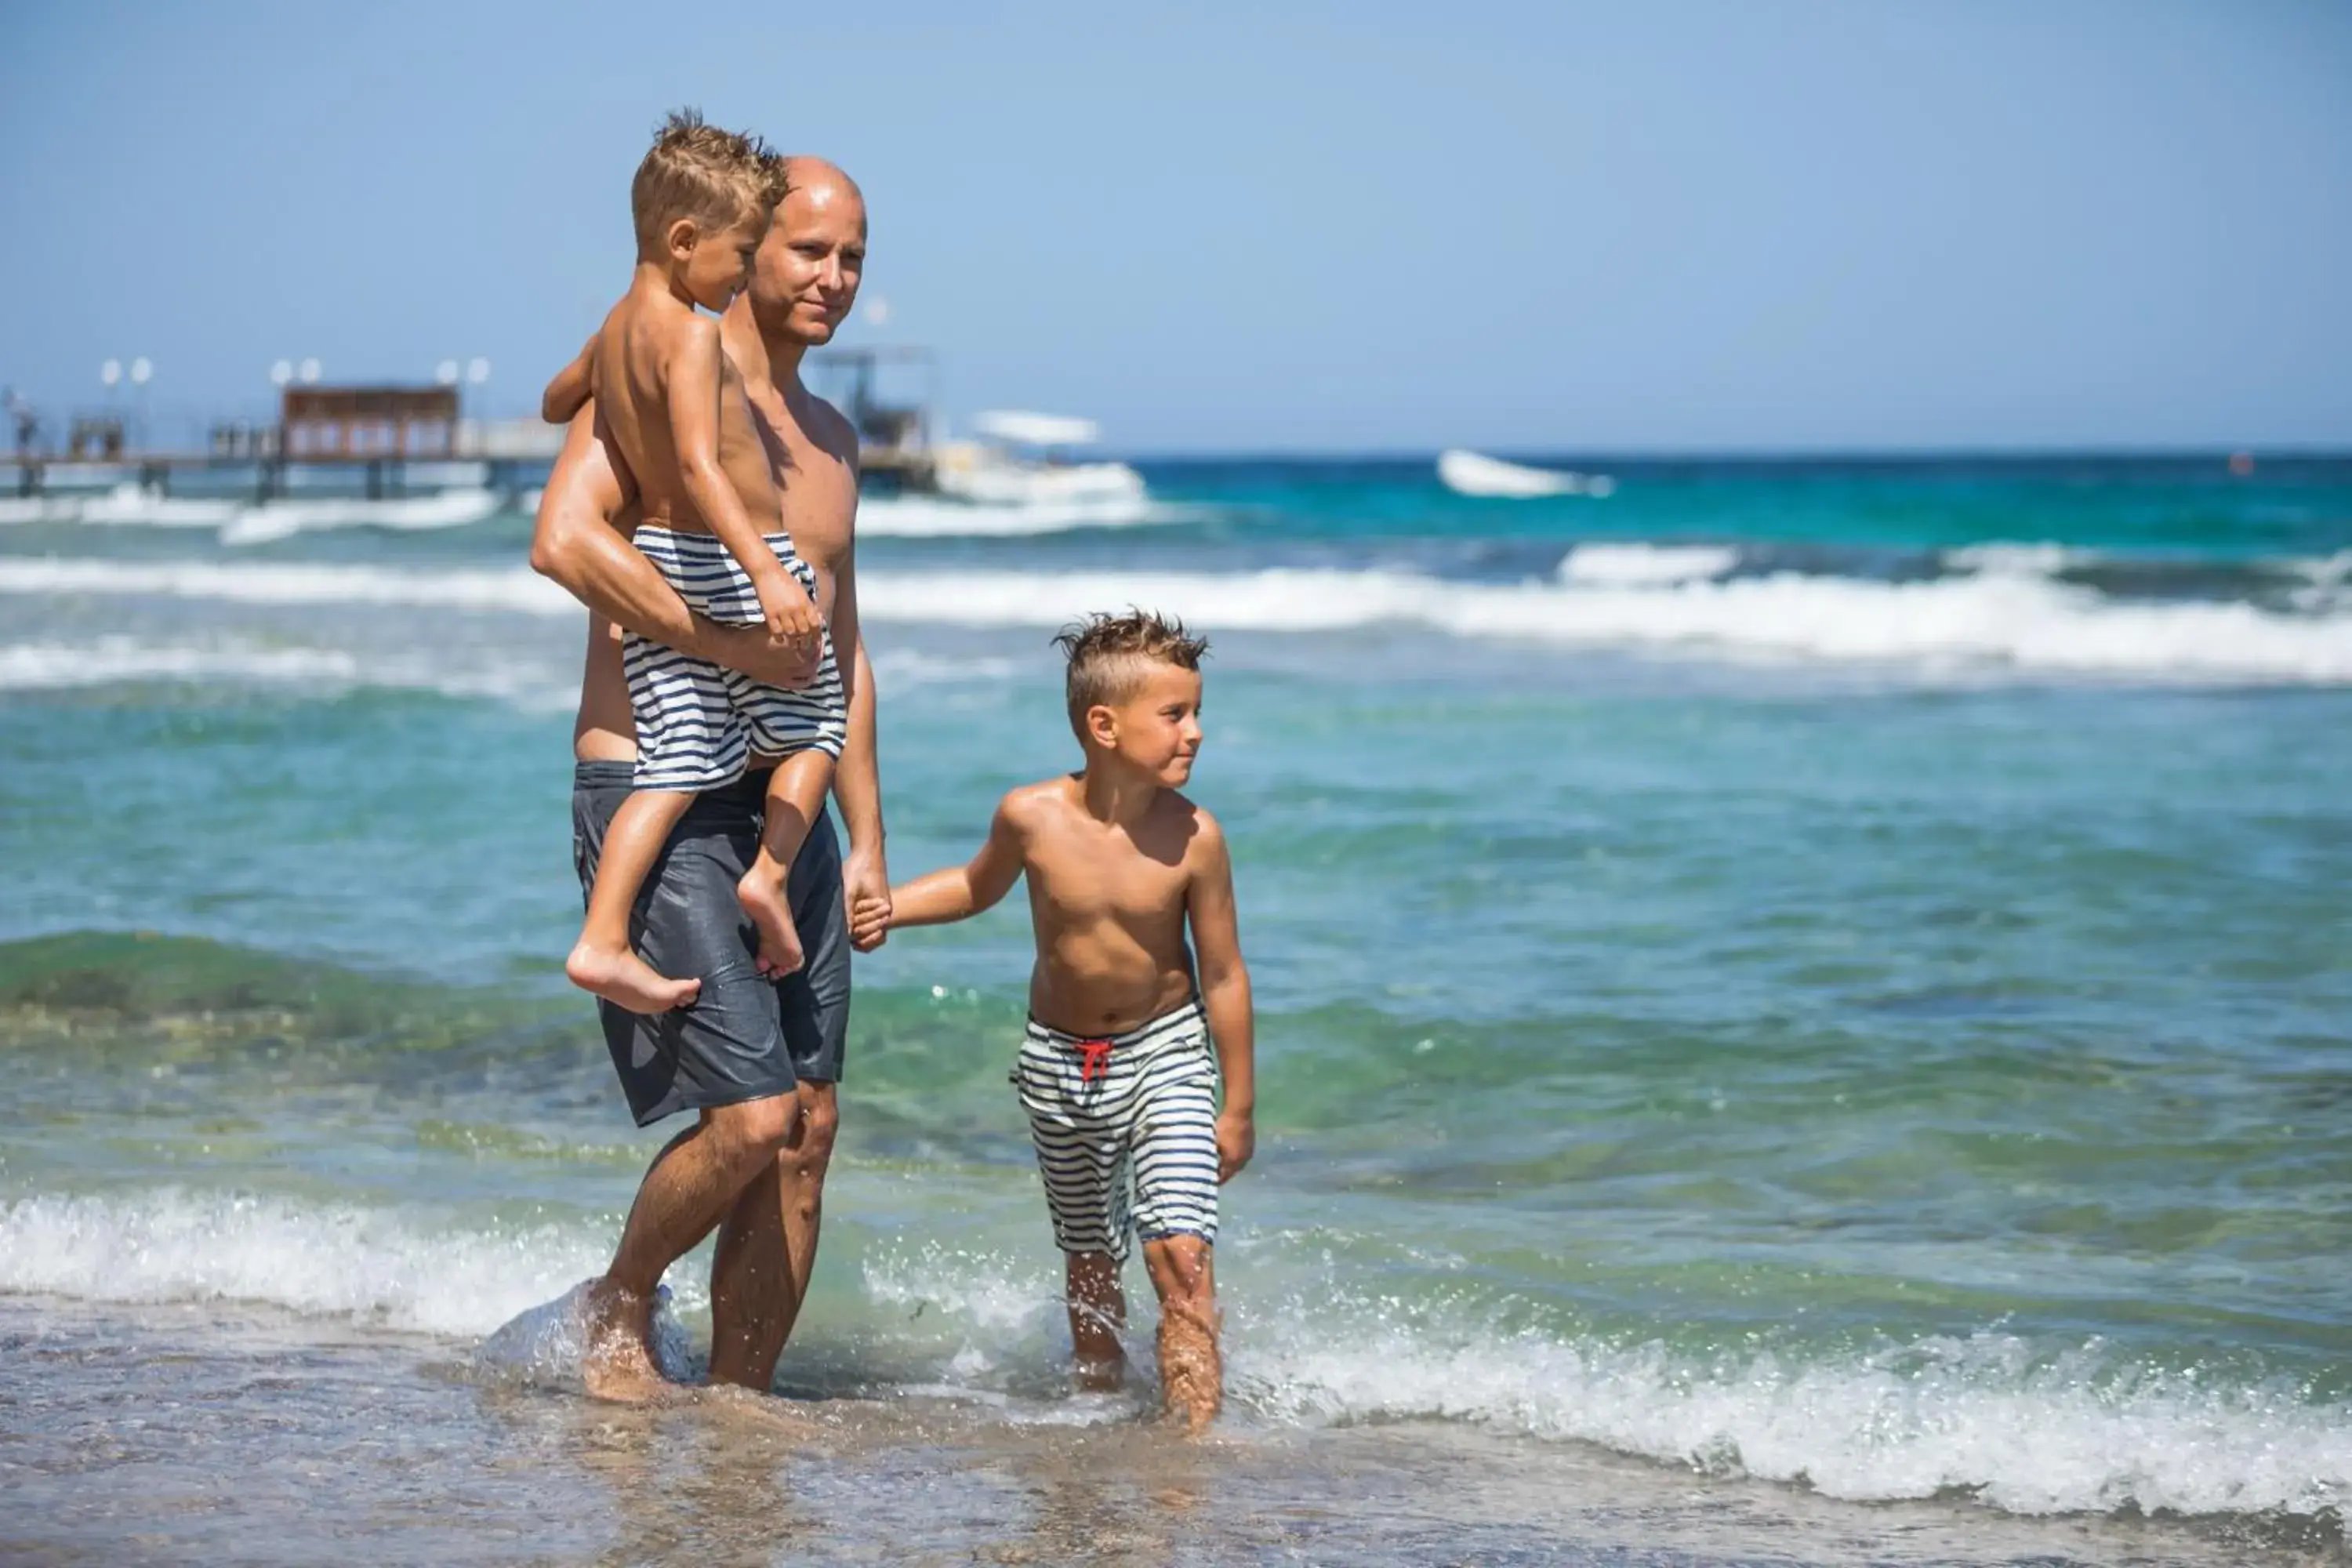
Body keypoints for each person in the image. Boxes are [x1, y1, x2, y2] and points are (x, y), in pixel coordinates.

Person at [531, 155, 891, 1401]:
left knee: (807, 1131)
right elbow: (564, 539)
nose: (833, 280)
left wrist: (872, 845)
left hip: (789, 798)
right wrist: (728, 644)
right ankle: (619, 1300)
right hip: (658, 775)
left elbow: (844, 654)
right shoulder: (662, 371)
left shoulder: (836, 442)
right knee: (747, 1118)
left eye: (854, 257)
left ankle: (739, 1411)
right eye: (807, 251)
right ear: (740, 249)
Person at [885, 612, 1257, 1431]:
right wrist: (887, 909)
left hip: (1168, 1053)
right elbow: (973, 887)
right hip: (1061, 1061)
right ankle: (1094, 1413)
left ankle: (1194, 1437)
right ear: (1104, 724)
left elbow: (1225, 975)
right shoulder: (1032, 817)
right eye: (1175, 714)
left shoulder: (1195, 838)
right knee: (1090, 1258)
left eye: (1197, 712)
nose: (1195, 732)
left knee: (1180, 1251)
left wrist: (1237, 1105)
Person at [562, 110, 847, 1019]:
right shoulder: (694, 335)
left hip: (659, 558)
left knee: (678, 764)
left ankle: (602, 936)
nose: (740, 276)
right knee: (816, 724)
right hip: (729, 552)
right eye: (741, 253)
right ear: (686, 242)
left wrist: (606, 381)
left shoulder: (616, 325)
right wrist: (765, 573)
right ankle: (768, 876)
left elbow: (554, 396)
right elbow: (695, 463)